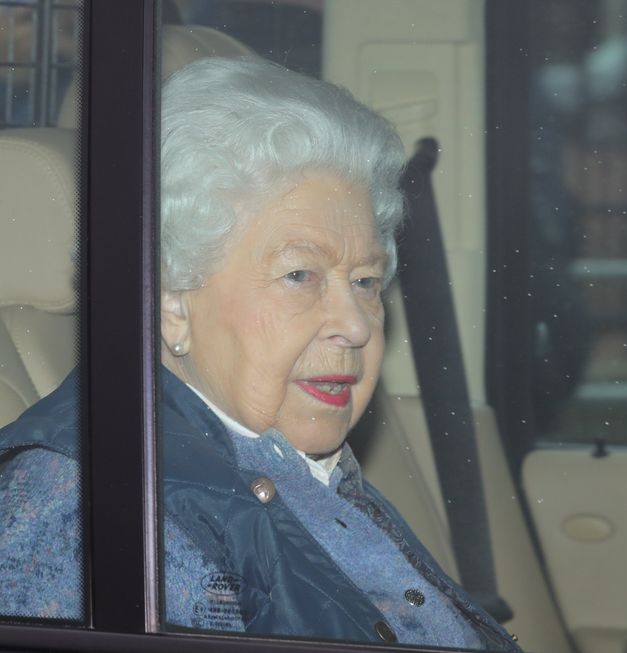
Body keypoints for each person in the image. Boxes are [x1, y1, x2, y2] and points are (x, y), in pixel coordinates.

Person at [0, 56, 521, 651]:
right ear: (171, 301)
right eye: (300, 274)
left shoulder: (296, 469)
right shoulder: (98, 515)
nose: (355, 325)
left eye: (366, 281)